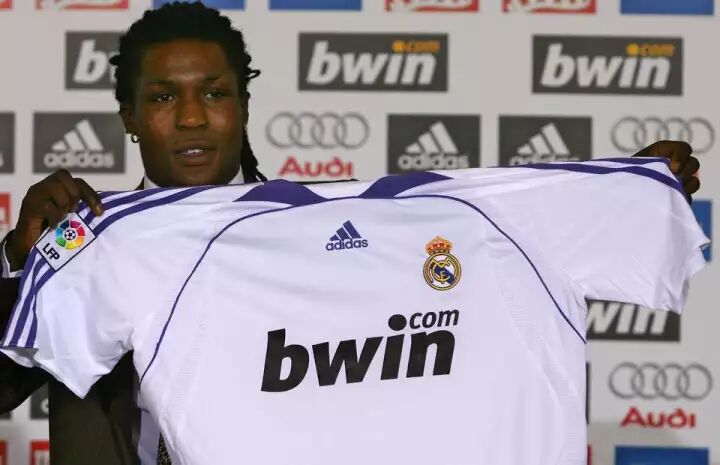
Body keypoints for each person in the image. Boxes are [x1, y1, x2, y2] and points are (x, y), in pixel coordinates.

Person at [0, 2, 702, 465]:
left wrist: (623, 192)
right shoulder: (89, 243)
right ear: (128, 115)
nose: (191, 118)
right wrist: (23, 265)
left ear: (244, 104)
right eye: (162, 97)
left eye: (214, 93)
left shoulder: (331, 236)